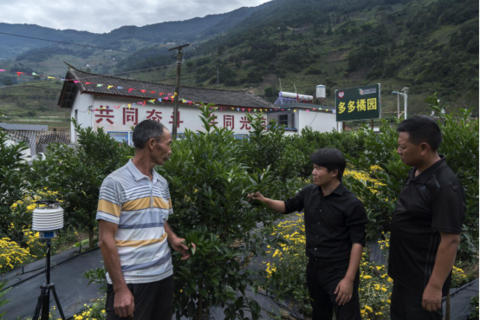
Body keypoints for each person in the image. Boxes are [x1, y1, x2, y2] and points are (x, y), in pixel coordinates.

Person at [251, 148, 367, 320]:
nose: (313, 172)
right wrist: (264, 200)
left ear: (334, 172)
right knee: (320, 314)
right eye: (313, 167)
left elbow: (357, 242)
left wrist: (348, 280)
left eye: (319, 168)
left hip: (339, 270)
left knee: (347, 315)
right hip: (314, 268)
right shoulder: (309, 192)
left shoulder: (351, 204)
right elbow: (287, 206)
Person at [96, 120, 195, 319]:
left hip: (163, 276)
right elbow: (105, 239)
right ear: (152, 144)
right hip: (132, 282)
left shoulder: (162, 183)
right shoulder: (114, 183)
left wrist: (173, 239)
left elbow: (160, 219)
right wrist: (120, 289)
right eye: (168, 144)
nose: (170, 150)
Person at [388, 116, 465, 320]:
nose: (398, 151)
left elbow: (450, 240)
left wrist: (434, 286)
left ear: (423, 148)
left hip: (422, 284)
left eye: (402, 146)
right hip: (404, 277)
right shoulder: (416, 172)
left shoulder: (445, 185)